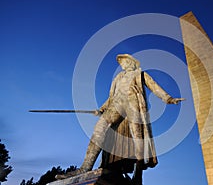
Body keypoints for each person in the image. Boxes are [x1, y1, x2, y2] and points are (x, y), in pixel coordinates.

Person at [56, 54, 184, 185]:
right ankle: (85, 167)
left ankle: (138, 174)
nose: (122, 64)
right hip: (116, 104)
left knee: (137, 137)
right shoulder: (118, 77)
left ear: (131, 62)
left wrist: (168, 98)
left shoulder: (140, 74)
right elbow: (112, 97)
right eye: (121, 63)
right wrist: (101, 109)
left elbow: (154, 87)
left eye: (124, 61)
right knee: (99, 129)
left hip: (133, 102)